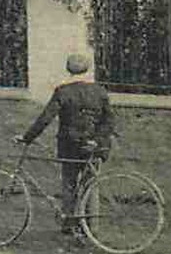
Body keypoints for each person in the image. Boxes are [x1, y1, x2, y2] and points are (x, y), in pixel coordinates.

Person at [19, 53, 115, 235]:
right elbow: (109, 120)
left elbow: (45, 118)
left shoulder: (63, 92)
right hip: (94, 145)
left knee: (69, 183)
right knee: (90, 183)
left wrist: (27, 137)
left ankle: (70, 224)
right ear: (87, 69)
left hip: (70, 144)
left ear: (68, 69)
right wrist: (98, 139)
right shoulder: (100, 91)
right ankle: (90, 227)